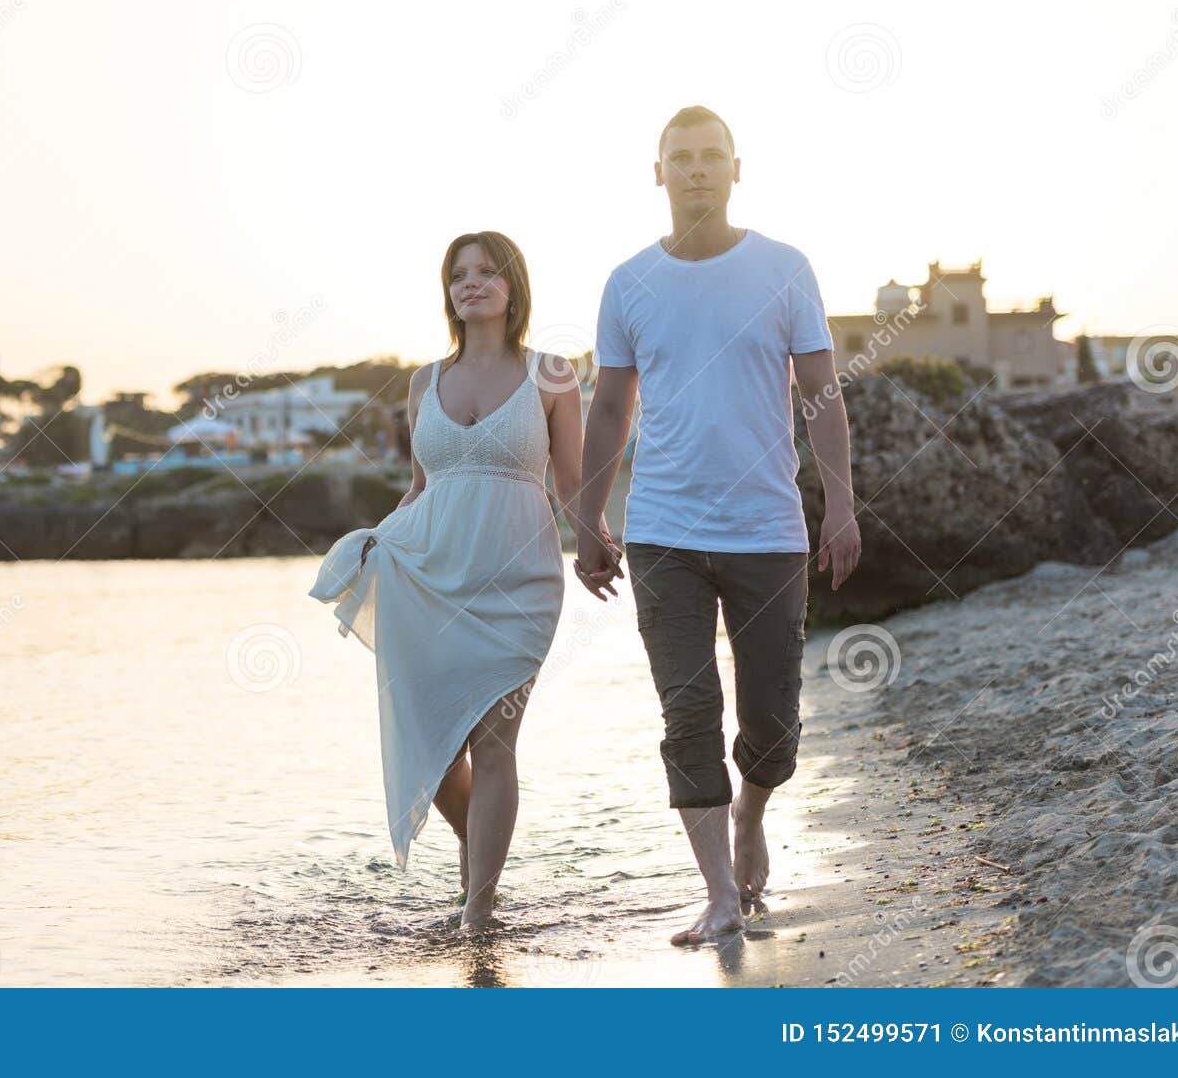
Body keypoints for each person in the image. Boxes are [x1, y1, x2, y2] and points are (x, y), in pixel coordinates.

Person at [571, 106, 861, 945]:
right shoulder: (629, 282)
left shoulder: (784, 268)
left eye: (710, 156)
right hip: (663, 531)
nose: (696, 169)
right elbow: (611, 405)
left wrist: (839, 502)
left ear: (737, 168)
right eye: (680, 158)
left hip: (768, 529)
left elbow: (822, 395)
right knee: (687, 713)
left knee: (770, 723)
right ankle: (720, 898)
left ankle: (751, 812)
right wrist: (590, 517)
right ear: (656, 173)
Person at [309, 230, 616, 930]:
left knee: (495, 742)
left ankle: (478, 909)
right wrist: (373, 542)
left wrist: (594, 540)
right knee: (438, 746)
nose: (471, 283)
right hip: (429, 578)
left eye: (485, 272)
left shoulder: (552, 374)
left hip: (519, 584)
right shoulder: (424, 382)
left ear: (513, 286)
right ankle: (480, 856)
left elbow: (571, 484)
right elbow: (420, 487)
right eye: (458, 275)